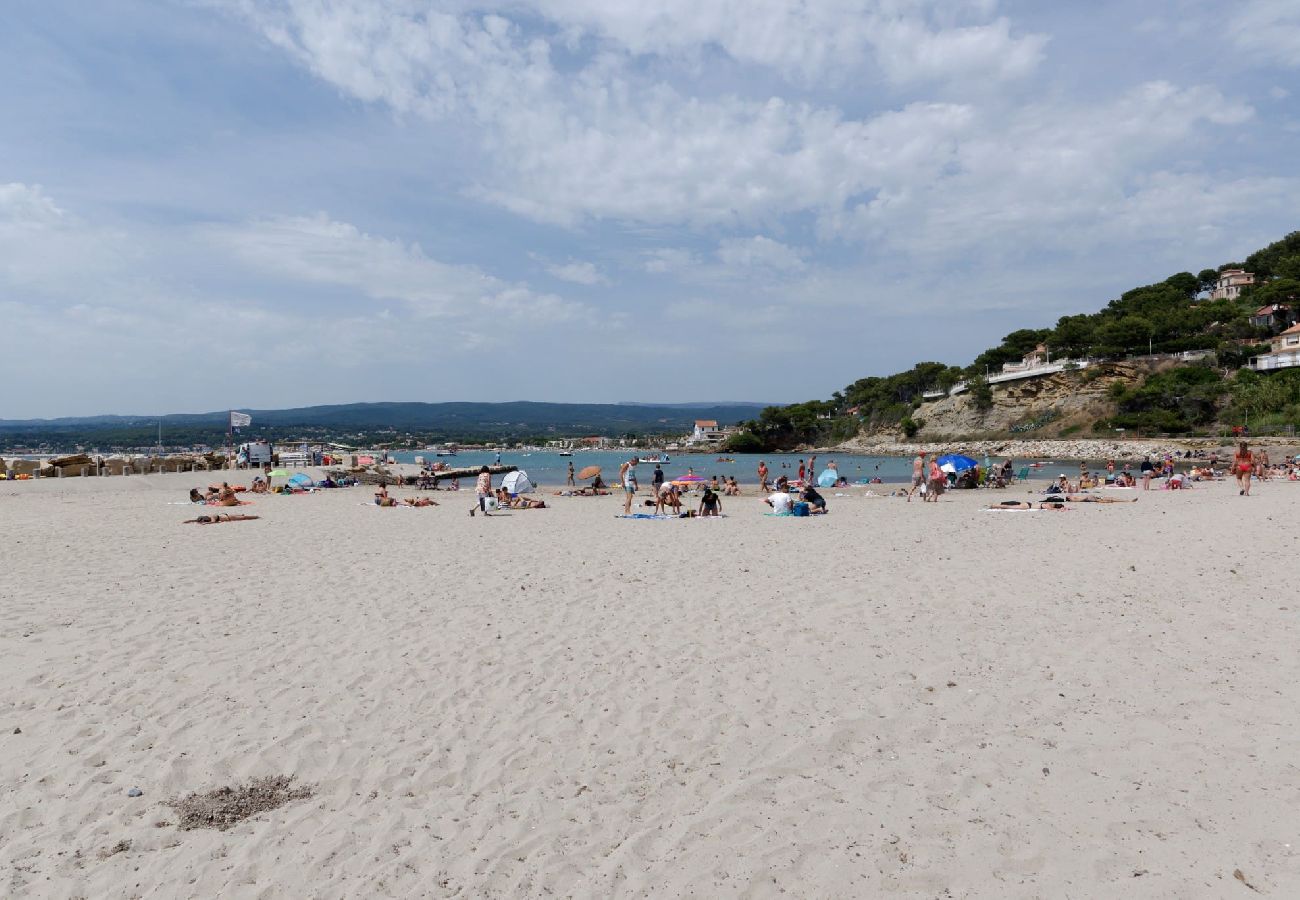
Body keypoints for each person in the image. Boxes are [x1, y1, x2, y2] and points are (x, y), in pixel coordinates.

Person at [184, 513, 260, 524]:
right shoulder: (209, 516)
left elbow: (213, 522)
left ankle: (256, 517)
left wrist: (206, 523)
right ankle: (256, 516)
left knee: (244, 518)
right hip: (227, 516)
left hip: (229, 518)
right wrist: (189, 521)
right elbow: (196, 520)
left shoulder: (212, 517)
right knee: (243, 516)